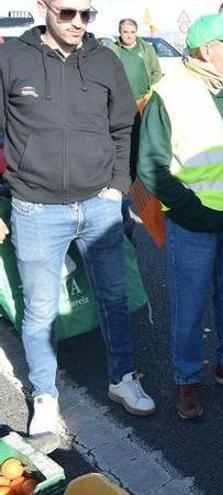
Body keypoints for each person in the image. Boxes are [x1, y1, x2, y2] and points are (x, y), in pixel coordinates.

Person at [0, 0, 156, 437]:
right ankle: (45, 396)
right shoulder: (11, 58)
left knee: (113, 298)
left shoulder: (105, 60)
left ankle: (122, 379)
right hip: (34, 207)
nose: (78, 23)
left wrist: (118, 187)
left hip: (99, 205)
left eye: (86, 14)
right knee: (40, 310)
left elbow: (124, 128)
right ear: (43, 6)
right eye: (68, 12)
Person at [137, 13, 223, 420]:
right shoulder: (170, 92)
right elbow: (152, 166)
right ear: (205, 50)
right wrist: (187, 207)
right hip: (193, 223)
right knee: (189, 305)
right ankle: (187, 381)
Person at [110, 18, 164, 240]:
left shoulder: (146, 49)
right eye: (125, 32)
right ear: (119, 32)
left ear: (137, 32)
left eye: (132, 31)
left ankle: (143, 180)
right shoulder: (113, 50)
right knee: (125, 142)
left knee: (144, 143)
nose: (129, 35)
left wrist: (154, 96)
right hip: (121, 105)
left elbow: (156, 74)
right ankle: (126, 177)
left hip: (144, 103)